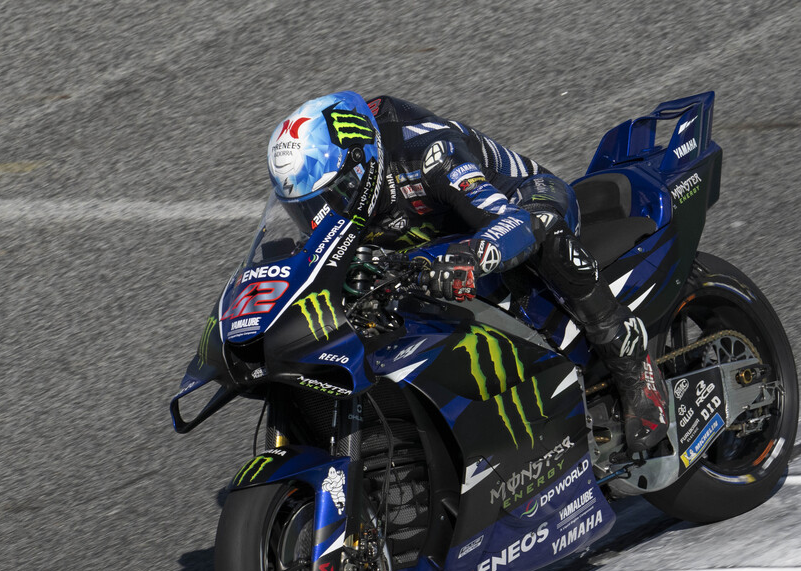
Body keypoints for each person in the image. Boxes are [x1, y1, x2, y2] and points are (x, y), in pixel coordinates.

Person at [266, 90, 668, 453]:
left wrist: (472, 258)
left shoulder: (429, 154)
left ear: (363, 166)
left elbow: (508, 220)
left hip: (517, 204)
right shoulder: (345, 195)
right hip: (433, 245)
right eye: (305, 208)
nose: (320, 216)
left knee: (542, 226)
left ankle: (629, 355)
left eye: (330, 198)